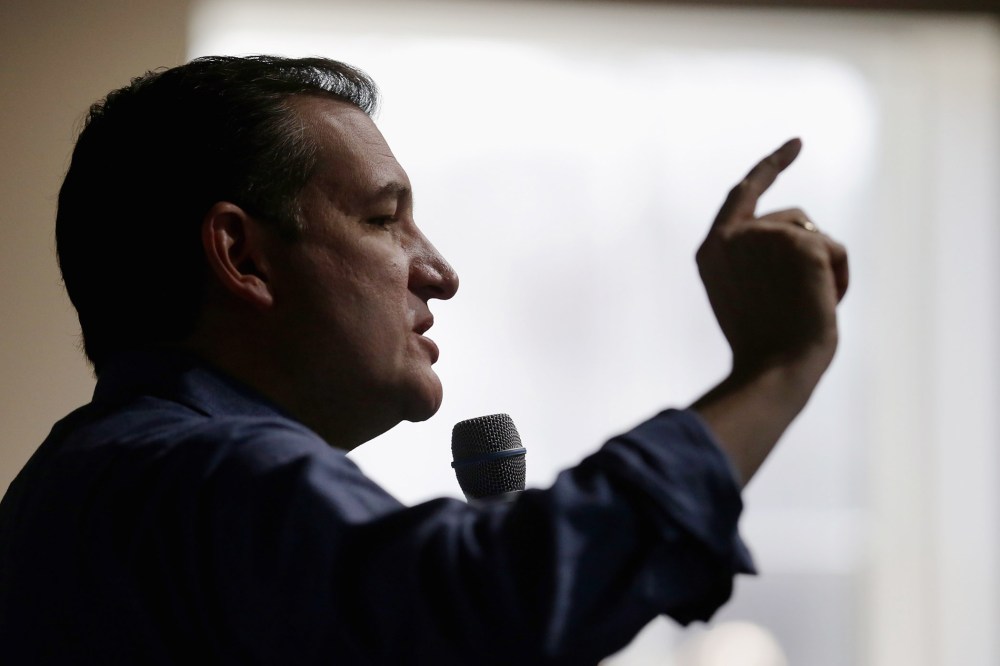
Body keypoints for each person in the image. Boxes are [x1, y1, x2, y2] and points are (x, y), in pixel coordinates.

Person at [0, 55, 848, 664]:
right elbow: (487, 605)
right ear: (243, 256)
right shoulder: (200, 474)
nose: (440, 272)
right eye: (382, 218)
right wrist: (778, 365)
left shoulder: (88, 479)